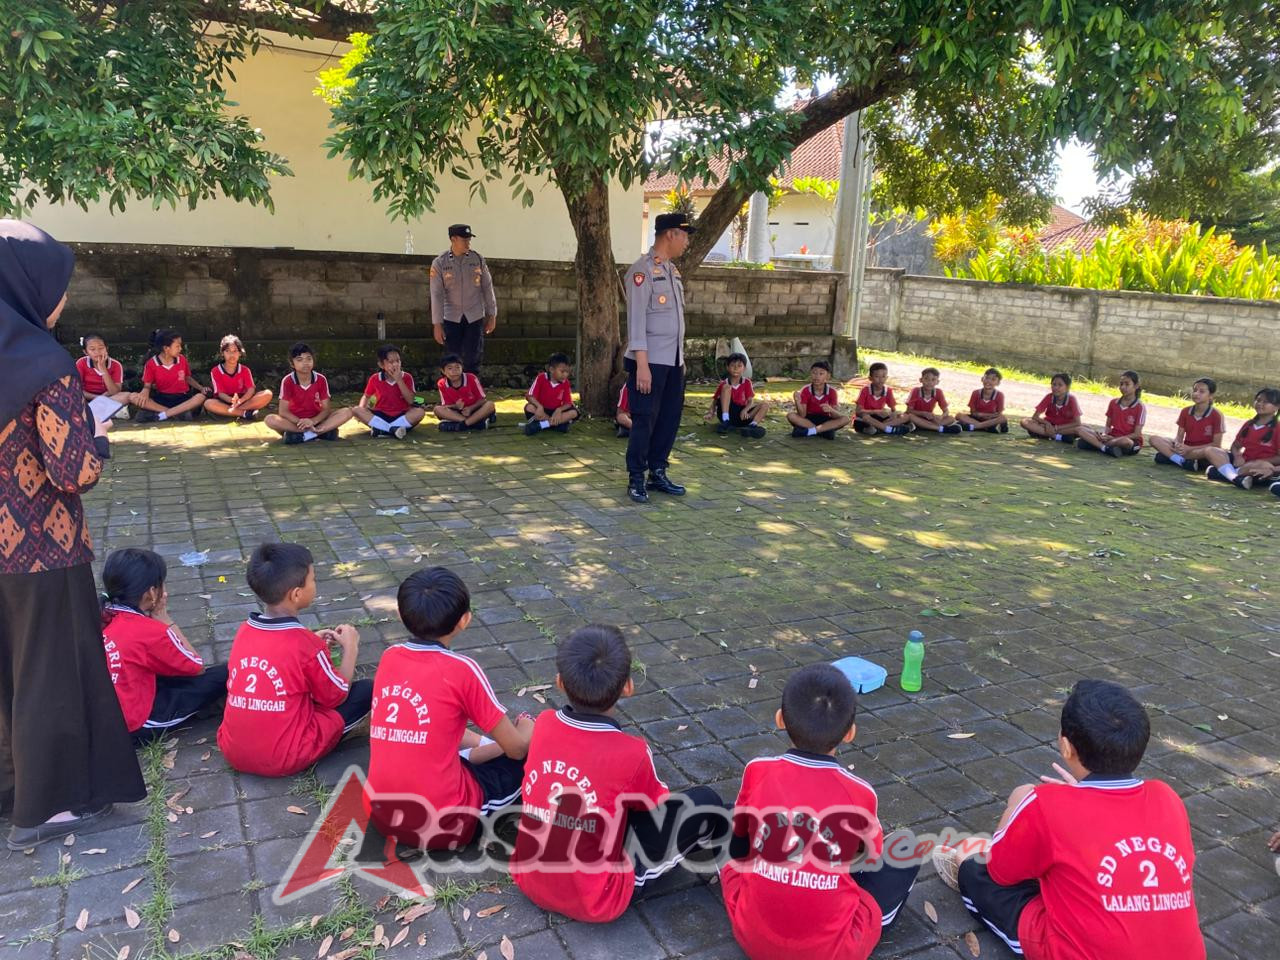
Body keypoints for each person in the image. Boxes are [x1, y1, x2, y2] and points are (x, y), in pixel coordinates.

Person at [0, 219, 144, 850]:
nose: (62, 301)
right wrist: (99, 441)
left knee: (8, 668)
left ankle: (13, 788)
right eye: (59, 286)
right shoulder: (45, 363)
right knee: (49, 673)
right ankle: (47, 806)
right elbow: (72, 469)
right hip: (42, 548)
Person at [934, 679, 1204, 960]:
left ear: (1065, 746)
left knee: (973, 863)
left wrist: (1023, 804)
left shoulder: (1046, 804)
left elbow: (1000, 871)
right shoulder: (1167, 797)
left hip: (1073, 951)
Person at [511, 624, 728, 922]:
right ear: (628, 686)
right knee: (706, 801)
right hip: (596, 897)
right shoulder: (633, 752)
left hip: (528, 876)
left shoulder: (545, 723)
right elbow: (655, 807)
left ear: (559, 682)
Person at [721, 664, 919, 959]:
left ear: (779, 719)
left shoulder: (758, 770)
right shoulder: (861, 793)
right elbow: (868, 859)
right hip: (832, 951)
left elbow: (740, 840)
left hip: (752, 936)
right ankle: (869, 926)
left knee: (730, 818)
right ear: (850, 733)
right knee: (907, 848)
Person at [365, 567, 533, 850]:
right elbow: (517, 749)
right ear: (464, 620)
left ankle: (488, 750)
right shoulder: (463, 670)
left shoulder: (389, 656)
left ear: (401, 616)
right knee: (528, 758)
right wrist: (529, 726)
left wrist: (490, 744)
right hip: (446, 824)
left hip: (380, 814)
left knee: (463, 753)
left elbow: (432, 729)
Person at [217, 543, 373, 778]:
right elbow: (336, 695)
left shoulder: (244, 630)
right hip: (285, 757)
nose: (315, 584)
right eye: (313, 579)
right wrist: (351, 648)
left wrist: (314, 645)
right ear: (296, 594)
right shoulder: (304, 645)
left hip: (232, 750)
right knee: (366, 691)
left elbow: (283, 656)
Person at [100, 549, 228, 744]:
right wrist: (164, 619)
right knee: (223, 674)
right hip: (136, 724)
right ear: (152, 593)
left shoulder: (102, 616)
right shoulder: (148, 630)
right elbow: (196, 666)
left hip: (103, 714)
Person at [624, 212, 694, 503]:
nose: (687, 242)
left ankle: (658, 471)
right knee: (644, 419)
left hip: (673, 360)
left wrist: (682, 358)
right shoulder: (641, 271)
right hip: (649, 361)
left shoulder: (672, 271)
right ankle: (636, 477)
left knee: (668, 419)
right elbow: (636, 320)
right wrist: (641, 364)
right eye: (685, 235)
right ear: (671, 234)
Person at [429, 224, 496, 375]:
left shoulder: (477, 259)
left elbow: (487, 287)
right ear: (453, 239)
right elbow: (436, 294)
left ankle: (473, 392)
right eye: (464, 239)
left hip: (475, 315)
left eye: (469, 239)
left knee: (473, 357)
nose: (468, 243)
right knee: (451, 358)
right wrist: (437, 324)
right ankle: (452, 393)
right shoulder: (440, 263)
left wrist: (492, 315)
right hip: (451, 317)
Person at [265, 342, 353, 444]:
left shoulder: (320, 379)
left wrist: (313, 421)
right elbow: (283, 411)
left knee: (348, 411)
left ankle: (305, 435)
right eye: (300, 360)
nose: (305, 363)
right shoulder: (288, 381)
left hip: (317, 420)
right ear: (292, 363)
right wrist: (301, 422)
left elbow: (326, 409)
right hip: (296, 423)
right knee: (270, 419)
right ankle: (320, 432)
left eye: (308, 359)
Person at [1204, 387, 1280, 490]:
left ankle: (1223, 473)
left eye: (1265, 402)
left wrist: (1258, 461)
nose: (1259, 404)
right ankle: (1235, 478)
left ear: (1276, 407)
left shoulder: (1277, 428)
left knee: (1262, 465)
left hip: (1261, 467)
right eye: (1258, 400)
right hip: (1242, 463)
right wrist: (1237, 456)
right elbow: (1235, 446)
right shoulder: (1248, 424)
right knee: (1211, 450)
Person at [133, 329, 211, 422]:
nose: (180, 349)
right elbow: (147, 385)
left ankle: (162, 415)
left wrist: (201, 388)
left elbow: (187, 378)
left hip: (182, 398)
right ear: (166, 348)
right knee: (133, 397)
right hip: (162, 398)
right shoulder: (151, 364)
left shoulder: (182, 359)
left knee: (200, 397)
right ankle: (176, 413)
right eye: (177, 346)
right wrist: (144, 392)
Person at [1150, 378, 1224, 471]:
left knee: (1208, 452)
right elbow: (1179, 436)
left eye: (1202, 391)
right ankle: (1181, 461)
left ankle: (1173, 458)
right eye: (1195, 390)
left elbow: (1216, 444)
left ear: (1211, 396)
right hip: (1185, 449)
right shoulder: (1185, 411)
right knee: (1154, 439)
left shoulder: (1216, 415)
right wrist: (1177, 445)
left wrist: (1189, 448)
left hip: (1201, 451)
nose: (1196, 394)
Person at [353, 344, 425, 439]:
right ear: (381, 365)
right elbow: (366, 396)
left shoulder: (407, 377)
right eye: (391, 362)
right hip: (380, 414)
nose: (395, 364)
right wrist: (362, 409)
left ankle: (382, 429)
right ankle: (393, 430)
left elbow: (411, 401)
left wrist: (399, 380)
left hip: (402, 415)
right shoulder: (375, 378)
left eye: (398, 361)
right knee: (356, 410)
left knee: (419, 412)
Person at [1075, 371, 1146, 456]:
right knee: (1080, 429)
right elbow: (1108, 426)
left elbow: (1137, 434)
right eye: (1121, 384)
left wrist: (1115, 438)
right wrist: (1104, 436)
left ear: (1136, 386)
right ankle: (1105, 448)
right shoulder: (1113, 402)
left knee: (1124, 441)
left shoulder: (1140, 407)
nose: (1123, 387)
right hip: (1110, 438)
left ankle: (1097, 445)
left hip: (1129, 441)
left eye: (1127, 384)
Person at [204, 334, 274, 421]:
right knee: (208, 403)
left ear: (240, 353)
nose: (231, 355)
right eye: (228, 351)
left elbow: (251, 390)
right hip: (226, 401)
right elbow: (220, 394)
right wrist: (232, 400)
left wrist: (240, 401)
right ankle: (244, 413)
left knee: (267, 394)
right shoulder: (215, 371)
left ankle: (232, 412)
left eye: (235, 351)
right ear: (222, 353)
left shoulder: (245, 370)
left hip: (244, 400)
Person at [710, 352, 769, 438]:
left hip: (742, 415)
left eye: (739, 366)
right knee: (727, 388)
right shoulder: (724, 384)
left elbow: (750, 401)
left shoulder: (747, 382)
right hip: (728, 411)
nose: (736, 369)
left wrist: (745, 410)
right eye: (733, 366)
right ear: (727, 367)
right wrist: (711, 412)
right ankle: (725, 421)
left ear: (744, 368)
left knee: (765, 405)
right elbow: (715, 400)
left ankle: (751, 427)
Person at [433, 353, 497, 432]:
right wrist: (456, 406)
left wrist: (470, 408)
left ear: (462, 368)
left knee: (490, 405)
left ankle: (463, 425)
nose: (454, 371)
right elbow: (446, 405)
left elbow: (482, 400)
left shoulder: (471, 378)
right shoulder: (442, 383)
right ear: (443, 371)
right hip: (459, 412)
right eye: (450, 368)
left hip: (475, 409)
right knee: (437, 409)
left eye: (457, 367)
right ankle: (473, 423)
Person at [787, 361, 850, 439]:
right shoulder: (806, 390)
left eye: (821, 374)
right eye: (814, 373)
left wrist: (831, 410)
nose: (817, 376)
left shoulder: (832, 391)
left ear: (828, 376)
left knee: (845, 419)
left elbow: (836, 416)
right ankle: (822, 432)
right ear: (810, 374)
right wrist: (797, 402)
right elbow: (802, 415)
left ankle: (810, 431)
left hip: (826, 421)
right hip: (808, 420)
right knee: (791, 415)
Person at [523, 353, 579, 435]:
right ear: (552, 369)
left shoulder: (565, 383)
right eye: (562, 371)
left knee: (574, 413)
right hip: (542, 411)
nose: (565, 375)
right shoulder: (541, 378)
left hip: (555, 412)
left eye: (567, 372)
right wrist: (539, 406)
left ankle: (542, 425)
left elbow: (568, 403)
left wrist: (559, 410)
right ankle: (556, 425)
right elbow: (529, 396)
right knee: (529, 407)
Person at [854, 362, 912, 435]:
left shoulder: (888, 391)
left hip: (880, 419)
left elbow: (893, 410)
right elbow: (858, 412)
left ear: (887, 378)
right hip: (864, 420)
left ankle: (881, 428)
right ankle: (888, 429)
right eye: (877, 376)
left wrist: (892, 416)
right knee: (866, 418)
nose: (881, 379)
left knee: (905, 416)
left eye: (883, 376)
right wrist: (875, 411)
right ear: (870, 378)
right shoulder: (865, 390)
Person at [1020, 373, 1081, 442]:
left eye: (1060, 385)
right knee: (1024, 422)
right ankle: (1057, 437)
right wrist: (1047, 424)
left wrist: (1056, 428)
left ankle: (1045, 434)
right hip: (1049, 426)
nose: (1055, 387)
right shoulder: (1049, 397)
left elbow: (1077, 423)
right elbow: (1035, 416)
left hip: (1064, 427)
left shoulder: (1072, 399)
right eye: (1054, 384)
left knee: (1081, 429)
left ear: (1067, 387)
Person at [904, 367, 962, 434]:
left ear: (937, 382)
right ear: (921, 380)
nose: (929, 382)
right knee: (909, 417)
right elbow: (909, 411)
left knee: (951, 418)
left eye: (933, 380)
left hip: (929, 419)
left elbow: (946, 411)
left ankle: (928, 427)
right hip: (917, 417)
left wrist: (941, 416)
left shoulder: (938, 392)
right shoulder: (916, 391)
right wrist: (923, 413)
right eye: (926, 379)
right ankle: (940, 429)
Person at [958, 368, 1009, 433]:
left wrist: (984, 415)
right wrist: (979, 415)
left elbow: (999, 413)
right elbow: (973, 412)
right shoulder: (976, 393)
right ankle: (983, 427)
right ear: (982, 379)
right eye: (987, 378)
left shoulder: (999, 395)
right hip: (976, 419)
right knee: (959, 415)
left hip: (990, 420)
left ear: (998, 383)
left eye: (993, 379)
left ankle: (976, 427)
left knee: (1003, 418)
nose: (989, 381)